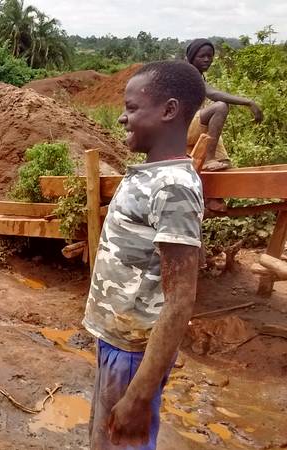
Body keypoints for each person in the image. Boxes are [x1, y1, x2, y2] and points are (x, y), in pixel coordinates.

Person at [83, 60, 205, 449]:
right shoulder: (152, 174)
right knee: (106, 440)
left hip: (134, 353)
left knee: (122, 440)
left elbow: (180, 301)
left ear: (169, 111)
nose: (122, 118)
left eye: (132, 108)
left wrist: (138, 395)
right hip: (117, 341)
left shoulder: (173, 187)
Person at [185, 38, 263, 172]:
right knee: (221, 106)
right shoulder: (188, 73)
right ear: (192, 58)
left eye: (209, 56)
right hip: (182, 127)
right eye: (202, 56)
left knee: (224, 164)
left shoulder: (199, 75)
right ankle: (208, 159)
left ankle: (213, 161)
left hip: (193, 128)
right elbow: (213, 93)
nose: (206, 60)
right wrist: (249, 102)